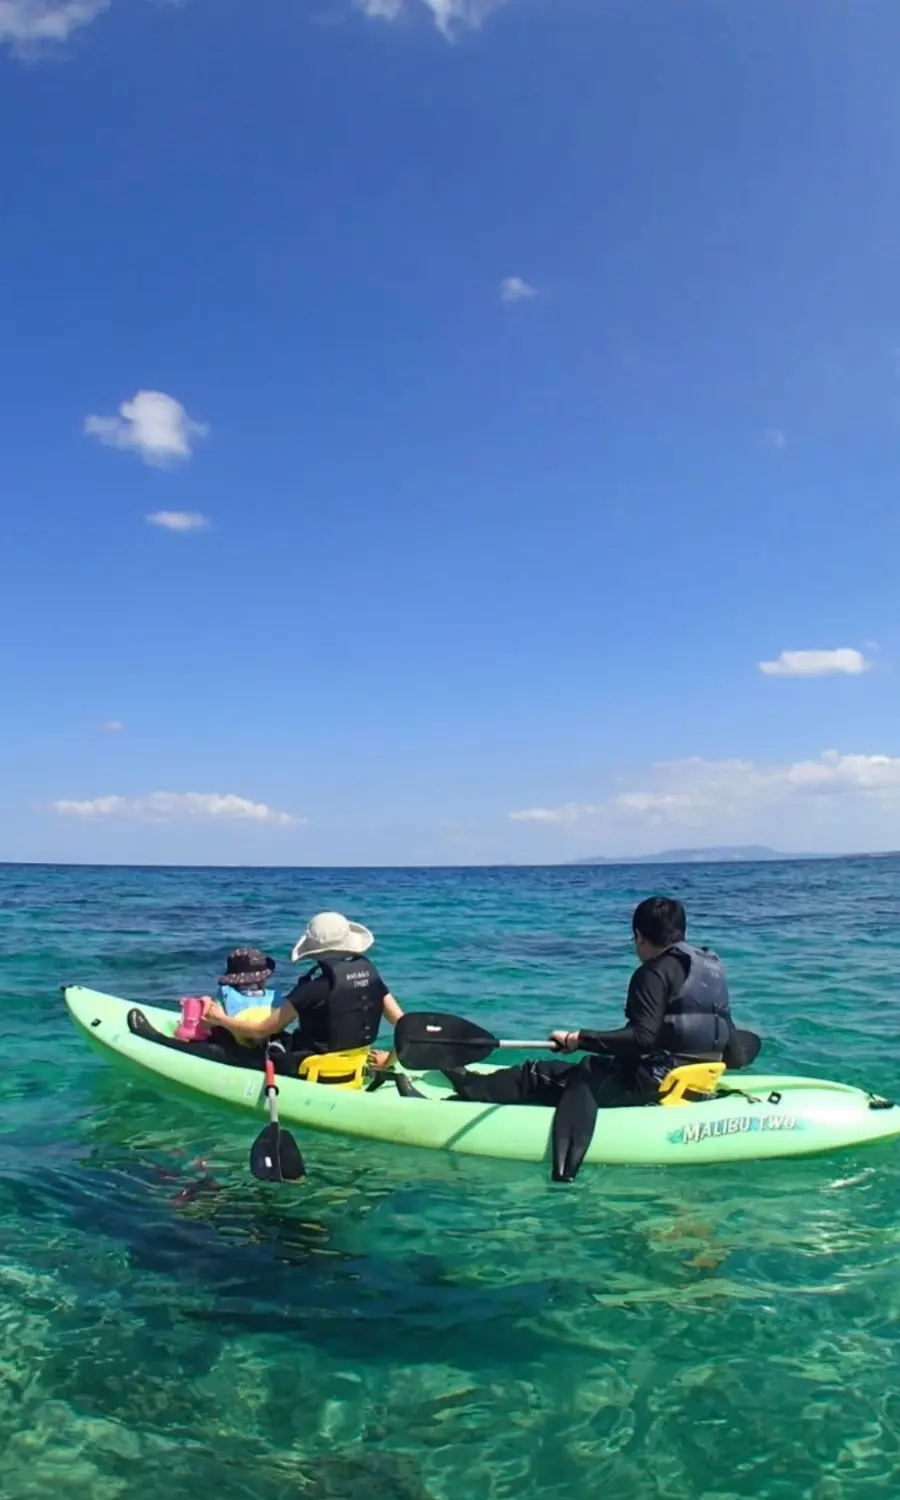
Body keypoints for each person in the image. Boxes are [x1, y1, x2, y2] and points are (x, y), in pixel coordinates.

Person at [443, 896, 737, 1112]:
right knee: (589, 1067)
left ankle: (461, 1098)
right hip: (695, 1081)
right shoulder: (709, 968)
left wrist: (577, 1039)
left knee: (535, 1074)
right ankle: (475, 1084)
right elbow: (728, 1041)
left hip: (651, 1086)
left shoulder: (652, 972)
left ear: (639, 936)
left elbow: (642, 1038)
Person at [202, 911, 403, 1071]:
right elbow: (405, 1026)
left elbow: (261, 1030)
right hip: (355, 1064)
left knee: (247, 1041)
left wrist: (219, 1018)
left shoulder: (310, 989)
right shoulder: (371, 977)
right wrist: (388, 1061)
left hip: (312, 1068)